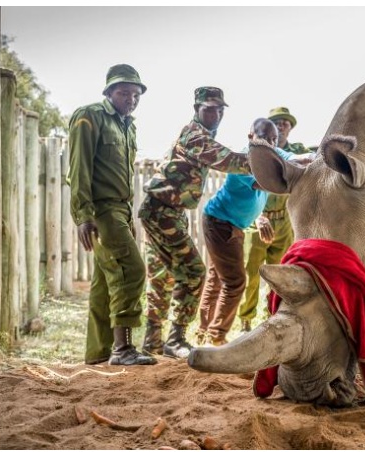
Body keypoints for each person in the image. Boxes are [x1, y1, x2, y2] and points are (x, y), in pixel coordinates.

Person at [138, 87, 251, 359]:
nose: (217, 114)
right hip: (161, 211)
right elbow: (229, 160)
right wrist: (269, 162)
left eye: (221, 109)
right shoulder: (194, 135)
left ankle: (152, 343)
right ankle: (176, 339)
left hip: (168, 212)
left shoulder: (201, 136)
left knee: (162, 278)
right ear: (197, 109)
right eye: (210, 108)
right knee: (193, 271)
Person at [68, 64, 156, 366]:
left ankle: (98, 352)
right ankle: (123, 349)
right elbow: (79, 168)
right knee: (130, 270)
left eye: (136, 94)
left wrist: (129, 216)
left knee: (104, 281)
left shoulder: (128, 126)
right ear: (108, 92)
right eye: (123, 93)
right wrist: (83, 214)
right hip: (101, 209)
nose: (131, 99)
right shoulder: (88, 117)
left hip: (121, 209)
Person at [195, 118, 309, 346]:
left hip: (231, 224)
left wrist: (314, 158)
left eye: (273, 139)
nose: (269, 143)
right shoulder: (244, 162)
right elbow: (272, 180)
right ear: (251, 138)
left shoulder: (273, 154)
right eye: (264, 138)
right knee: (235, 281)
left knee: (218, 277)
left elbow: (293, 158)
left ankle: (204, 332)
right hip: (220, 223)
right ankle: (216, 337)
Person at [237, 107, 311, 333]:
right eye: (276, 122)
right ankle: (245, 323)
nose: (281, 126)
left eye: (285, 123)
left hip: (285, 222)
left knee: (282, 274)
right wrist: (257, 217)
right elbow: (243, 189)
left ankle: (276, 318)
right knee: (251, 274)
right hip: (259, 220)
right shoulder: (255, 154)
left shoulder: (296, 152)